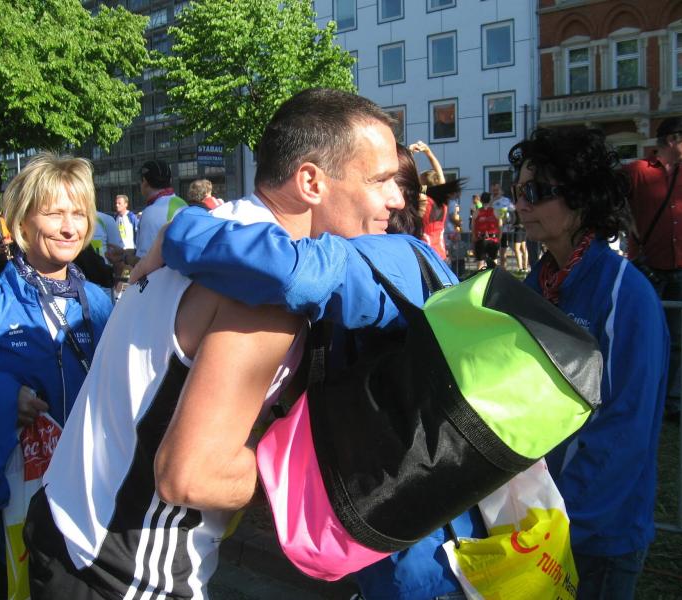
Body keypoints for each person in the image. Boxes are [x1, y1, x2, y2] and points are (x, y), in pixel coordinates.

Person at [23, 88, 442, 600]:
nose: (396, 199)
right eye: (379, 180)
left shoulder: (218, 230)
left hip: (68, 526)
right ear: (311, 181)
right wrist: (327, 481)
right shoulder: (263, 294)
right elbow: (193, 477)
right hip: (123, 569)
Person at [0, 154, 112, 598]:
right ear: (22, 222)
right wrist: (1, 397)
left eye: (79, 213)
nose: (69, 227)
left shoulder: (99, 302)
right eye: (54, 213)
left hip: (82, 512)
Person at [509, 126, 669, 600]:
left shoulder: (625, 294)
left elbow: (624, 427)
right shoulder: (538, 284)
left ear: (580, 197)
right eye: (517, 191)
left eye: (536, 192)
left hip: (595, 534)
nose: (520, 205)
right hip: (538, 519)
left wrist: (562, 520)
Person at [624, 116, 682, 423]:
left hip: (681, 267)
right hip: (647, 268)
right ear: (672, 140)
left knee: (678, 341)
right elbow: (611, 200)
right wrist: (630, 227)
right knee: (643, 339)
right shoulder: (637, 171)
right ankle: (641, 402)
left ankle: (673, 405)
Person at [112, 160, 187, 269]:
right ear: (170, 180)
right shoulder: (181, 203)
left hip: (163, 278)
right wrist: (125, 252)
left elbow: (145, 263)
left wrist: (125, 258)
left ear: (145, 182)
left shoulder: (151, 213)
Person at [472, 191, 502, 269]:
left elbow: (473, 228)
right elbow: (500, 227)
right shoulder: (495, 212)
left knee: (480, 263)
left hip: (480, 239)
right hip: (493, 239)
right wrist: (499, 239)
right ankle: (493, 275)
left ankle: (480, 276)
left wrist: (474, 240)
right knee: (493, 262)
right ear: (490, 200)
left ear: (481, 201)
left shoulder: (476, 212)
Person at [489, 183, 515, 269]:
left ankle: (503, 270)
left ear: (501, 191)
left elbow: (514, 211)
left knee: (503, 252)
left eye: (497, 190)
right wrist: (492, 201)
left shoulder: (506, 200)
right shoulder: (489, 200)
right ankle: (493, 270)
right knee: (493, 253)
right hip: (492, 230)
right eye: (493, 190)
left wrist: (512, 222)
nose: (495, 192)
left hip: (504, 230)